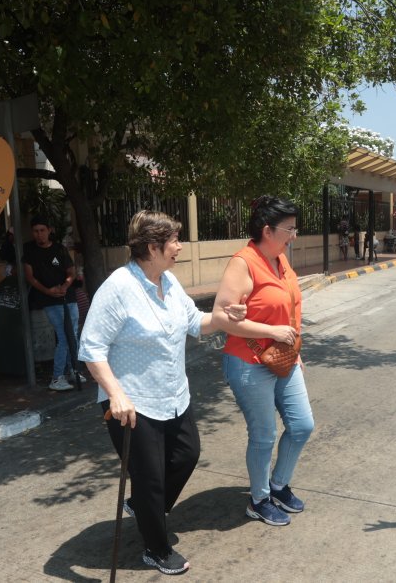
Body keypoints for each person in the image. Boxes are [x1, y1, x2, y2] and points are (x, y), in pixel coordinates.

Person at [79, 210, 244, 576]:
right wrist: (115, 394)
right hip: (133, 404)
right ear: (153, 247)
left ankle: (143, 505)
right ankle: (156, 547)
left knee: (187, 454)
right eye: (174, 241)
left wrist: (222, 318)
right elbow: (91, 348)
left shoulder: (167, 283)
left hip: (172, 396)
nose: (180, 247)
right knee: (150, 477)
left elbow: (194, 322)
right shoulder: (119, 287)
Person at [214, 195, 314, 527]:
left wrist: (294, 349)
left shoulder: (280, 260)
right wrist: (272, 330)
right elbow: (222, 317)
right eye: (289, 229)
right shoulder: (243, 263)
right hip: (247, 361)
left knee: (302, 425)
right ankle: (258, 500)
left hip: (284, 359)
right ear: (267, 230)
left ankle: (278, 485)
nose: (294, 235)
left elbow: (291, 306)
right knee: (263, 435)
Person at [24, 216, 83, 391]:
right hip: (49, 300)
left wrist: (65, 285)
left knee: (73, 334)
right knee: (64, 337)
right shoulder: (29, 250)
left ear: (49, 231)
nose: (39, 234)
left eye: (42, 230)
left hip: (68, 297)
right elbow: (30, 277)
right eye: (36, 231)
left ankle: (73, 370)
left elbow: (71, 271)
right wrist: (47, 291)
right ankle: (57, 377)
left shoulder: (60, 249)